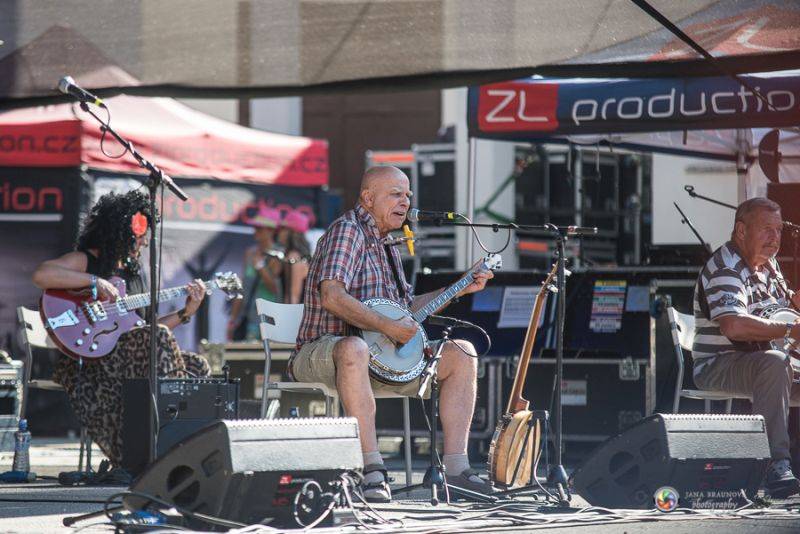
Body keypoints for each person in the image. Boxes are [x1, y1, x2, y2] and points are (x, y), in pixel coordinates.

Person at [291, 166, 494, 502]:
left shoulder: (388, 244)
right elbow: (332, 296)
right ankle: (372, 470)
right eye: (396, 194)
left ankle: (456, 469)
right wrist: (387, 327)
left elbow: (405, 312)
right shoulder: (348, 231)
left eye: (408, 195)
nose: (406, 202)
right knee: (354, 346)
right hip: (324, 353)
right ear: (368, 198)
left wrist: (459, 288)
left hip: (380, 360)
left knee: (462, 351)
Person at [31, 190, 210, 469]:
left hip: (129, 357)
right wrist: (95, 282)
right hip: (91, 360)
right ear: (116, 232)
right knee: (158, 343)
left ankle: (176, 448)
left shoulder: (136, 275)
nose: (141, 243)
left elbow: (148, 331)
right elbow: (42, 274)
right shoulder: (90, 260)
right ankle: (146, 454)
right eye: (137, 237)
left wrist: (186, 312)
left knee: (197, 365)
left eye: (144, 238)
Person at [693, 197, 800, 498]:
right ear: (741, 230)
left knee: (776, 363)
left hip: (764, 363)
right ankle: (775, 465)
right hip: (719, 364)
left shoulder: (769, 266)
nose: (775, 238)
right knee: (775, 363)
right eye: (766, 229)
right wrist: (792, 329)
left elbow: (782, 312)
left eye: (779, 230)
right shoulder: (726, 267)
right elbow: (734, 326)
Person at [227, 206, 284, 341]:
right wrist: (233, 320)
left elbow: (274, 288)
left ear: (270, 231)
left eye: (259, 228)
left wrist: (260, 266)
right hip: (249, 318)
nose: (255, 231)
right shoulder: (250, 253)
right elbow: (241, 288)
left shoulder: (279, 254)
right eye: (255, 227)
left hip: (271, 320)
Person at [277, 210, 311, 304]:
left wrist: (285, 318)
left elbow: (293, 296)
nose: (279, 232)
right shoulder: (294, 255)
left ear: (293, 233)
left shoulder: (294, 257)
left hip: (293, 315)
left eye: (283, 228)